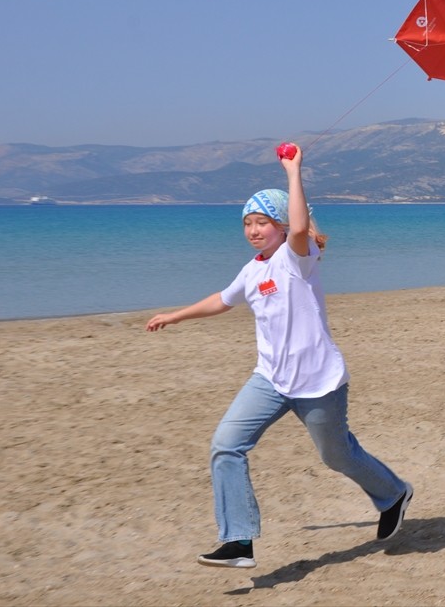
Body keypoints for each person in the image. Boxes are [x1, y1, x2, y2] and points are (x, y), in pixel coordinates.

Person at [145, 143, 412, 570]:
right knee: (226, 445)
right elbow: (223, 300)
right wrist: (176, 317)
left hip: (318, 381)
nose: (253, 230)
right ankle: (237, 541)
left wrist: (294, 171)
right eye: (248, 223)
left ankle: (394, 493)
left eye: (262, 222)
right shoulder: (253, 269)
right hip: (269, 380)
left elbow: (302, 228)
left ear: (281, 225)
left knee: (336, 455)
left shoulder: (296, 258)